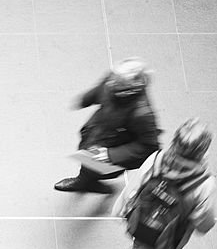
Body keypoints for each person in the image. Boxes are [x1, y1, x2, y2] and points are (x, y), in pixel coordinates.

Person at [87, 118, 216, 249]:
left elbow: (134, 188)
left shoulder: (158, 158)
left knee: (140, 241)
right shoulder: (203, 183)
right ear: (203, 151)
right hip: (165, 240)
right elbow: (204, 224)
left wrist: (121, 212)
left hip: (140, 221)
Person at [55, 57, 160, 194]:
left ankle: (86, 183)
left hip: (112, 146)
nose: (110, 82)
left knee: (94, 168)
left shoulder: (142, 114)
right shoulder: (115, 79)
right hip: (98, 131)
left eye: (117, 82)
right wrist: (86, 99)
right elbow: (101, 88)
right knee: (87, 159)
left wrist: (110, 154)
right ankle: (86, 180)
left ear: (131, 88)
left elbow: (148, 146)